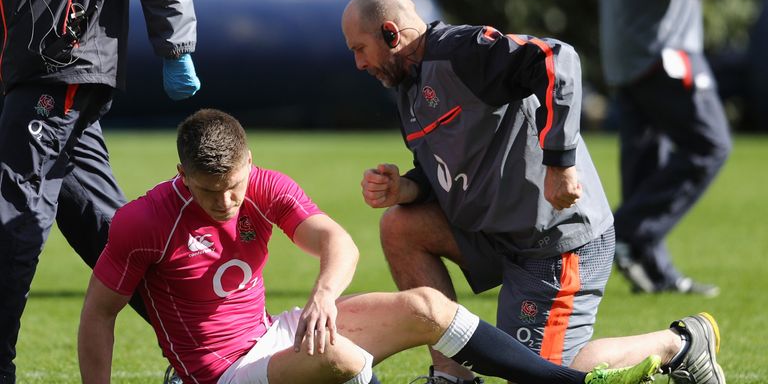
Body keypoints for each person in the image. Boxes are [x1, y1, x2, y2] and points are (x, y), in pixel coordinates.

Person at [78, 108, 663, 384]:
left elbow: (338, 243)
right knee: (342, 360)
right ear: (182, 175)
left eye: (232, 188)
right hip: (215, 375)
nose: (225, 203)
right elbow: (98, 316)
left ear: (248, 164)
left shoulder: (262, 185)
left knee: (429, 310)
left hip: (270, 338)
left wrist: (324, 295)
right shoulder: (142, 221)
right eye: (207, 193)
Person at [341, 0, 725, 384]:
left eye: (359, 49)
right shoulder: (407, 90)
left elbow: (557, 57)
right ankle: (452, 378)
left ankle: (678, 344)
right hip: (499, 237)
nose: (358, 64)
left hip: (557, 244)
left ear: (390, 32)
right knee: (401, 225)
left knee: (541, 377)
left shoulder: (462, 51)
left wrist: (560, 163)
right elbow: (444, 171)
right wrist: (406, 188)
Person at [0, 0, 200, 382]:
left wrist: (175, 45)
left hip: (59, 60)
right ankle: (215, 347)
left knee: (12, 219)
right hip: (31, 66)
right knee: (107, 229)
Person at [599, 0, 731, 296]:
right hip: (661, 54)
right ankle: (622, 232)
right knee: (711, 145)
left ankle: (655, 271)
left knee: (644, 160)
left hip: (632, 56)